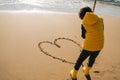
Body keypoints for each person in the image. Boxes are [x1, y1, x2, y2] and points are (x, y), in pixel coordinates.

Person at [70, 6, 104, 80]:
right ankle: (86, 71)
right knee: (92, 58)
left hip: (89, 46)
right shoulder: (101, 20)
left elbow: (83, 36)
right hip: (99, 45)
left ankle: (74, 73)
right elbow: (102, 30)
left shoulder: (84, 23)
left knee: (80, 60)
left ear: (82, 16)